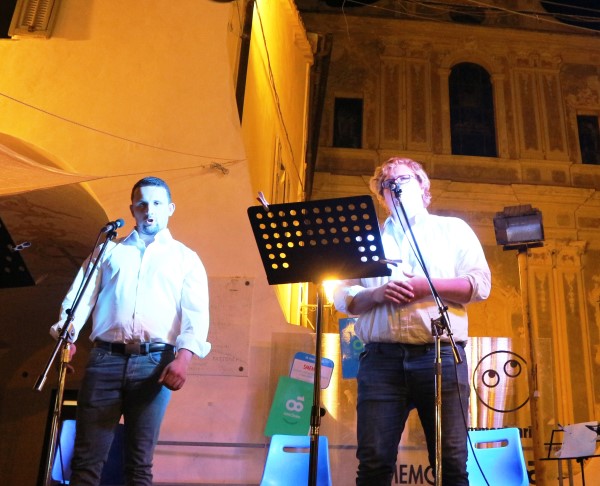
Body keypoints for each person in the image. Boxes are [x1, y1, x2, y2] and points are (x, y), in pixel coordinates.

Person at [333, 157, 491, 485]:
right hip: (381, 360)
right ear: (381, 197)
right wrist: (376, 294)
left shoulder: (453, 230)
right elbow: (342, 297)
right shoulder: (367, 239)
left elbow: (479, 285)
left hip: (439, 356)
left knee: (450, 463)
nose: (394, 186)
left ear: (423, 186)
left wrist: (425, 286)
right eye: (386, 184)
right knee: (373, 462)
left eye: (402, 179)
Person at [50, 176, 211, 486]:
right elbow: (80, 298)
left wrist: (184, 358)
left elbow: (196, 313)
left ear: (170, 208)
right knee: (85, 461)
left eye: (157, 203)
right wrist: (66, 338)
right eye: (142, 204)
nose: (149, 210)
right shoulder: (108, 251)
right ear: (132, 209)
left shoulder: (185, 258)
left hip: (155, 363)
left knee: (138, 464)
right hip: (105, 359)